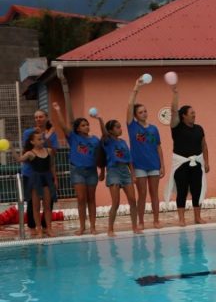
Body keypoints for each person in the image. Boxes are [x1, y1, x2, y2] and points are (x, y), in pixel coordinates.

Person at [51, 101, 101, 235]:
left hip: (91, 171)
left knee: (91, 199)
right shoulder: (73, 137)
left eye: (87, 124)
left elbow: (99, 156)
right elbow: (63, 126)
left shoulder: (95, 140)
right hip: (77, 171)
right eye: (83, 125)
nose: (87, 127)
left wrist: (102, 170)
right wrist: (58, 110)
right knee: (81, 198)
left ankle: (93, 227)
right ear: (78, 128)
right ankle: (82, 227)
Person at [168, 83, 209, 226]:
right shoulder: (176, 127)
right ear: (184, 116)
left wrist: (206, 161)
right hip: (181, 164)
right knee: (182, 191)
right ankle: (181, 219)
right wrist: (175, 94)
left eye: (194, 113)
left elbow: (204, 145)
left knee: (197, 190)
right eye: (191, 113)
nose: (194, 115)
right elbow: (173, 111)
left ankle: (197, 217)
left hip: (197, 163)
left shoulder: (199, 128)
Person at [127, 76, 164, 230]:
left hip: (154, 164)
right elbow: (129, 105)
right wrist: (136, 88)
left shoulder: (154, 128)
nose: (144, 113)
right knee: (142, 194)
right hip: (139, 166)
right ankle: (141, 221)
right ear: (135, 116)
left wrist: (162, 165)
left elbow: (158, 147)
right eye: (140, 112)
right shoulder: (132, 126)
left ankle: (156, 220)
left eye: (145, 111)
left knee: (154, 193)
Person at [97, 113, 139, 235]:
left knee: (132, 200)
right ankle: (110, 229)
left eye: (120, 127)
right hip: (113, 171)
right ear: (110, 130)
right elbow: (104, 133)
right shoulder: (108, 141)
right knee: (116, 202)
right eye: (117, 127)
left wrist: (133, 174)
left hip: (125, 172)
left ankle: (134, 227)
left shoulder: (123, 142)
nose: (120, 129)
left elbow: (129, 160)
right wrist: (100, 119)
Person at [20, 109, 59, 232]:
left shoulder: (52, 134)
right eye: (36, 117)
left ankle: (47, 227)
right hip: (30, 173)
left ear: (46, 117)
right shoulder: (28, 133)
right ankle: (34, 227)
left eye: (41, 117)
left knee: (48, 202)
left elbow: (54, 153)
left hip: (46, 173)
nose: (38, 119)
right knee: (32, 202)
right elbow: (27, 149)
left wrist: (48, 136)